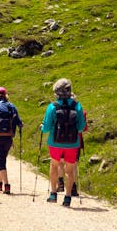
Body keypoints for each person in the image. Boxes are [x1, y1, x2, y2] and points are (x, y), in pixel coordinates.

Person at [40, 78, 86, 207]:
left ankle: (53, 194)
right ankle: (67, 197)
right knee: (70, 170)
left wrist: (42, 127)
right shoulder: (77, 105)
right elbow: (81, 127)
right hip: (72, 143)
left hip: (55, 142)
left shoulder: (52, 107)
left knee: (54, 166)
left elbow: (47, 128)